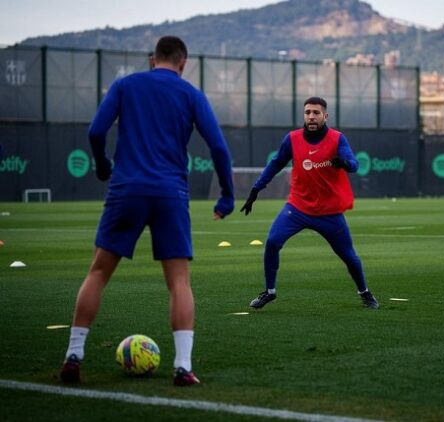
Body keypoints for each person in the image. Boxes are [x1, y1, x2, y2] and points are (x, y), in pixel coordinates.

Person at [59, 36, 234, 386]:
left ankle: (74, 355)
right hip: (170, 193)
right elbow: (218, 146)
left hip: (126, 191)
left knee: (98, 273)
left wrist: (102, 164)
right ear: (183, 62)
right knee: (179, 282)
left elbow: (95, 131)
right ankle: (183, 367)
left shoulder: (126, 85)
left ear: (153, 59)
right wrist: (227, 195)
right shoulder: (191, 94)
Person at [240, 96, 378, 310]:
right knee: (273, 241)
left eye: (316, 112)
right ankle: (270, 292)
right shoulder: (292, 139)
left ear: (325, 116)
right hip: (297, 208)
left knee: (349, 256)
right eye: (307, 112)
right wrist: (256, 188)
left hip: (328, 212)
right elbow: (275, 164)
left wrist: (343, 162)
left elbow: (354, 165)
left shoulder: (337, 138)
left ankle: (365, 292)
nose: (311, 116)